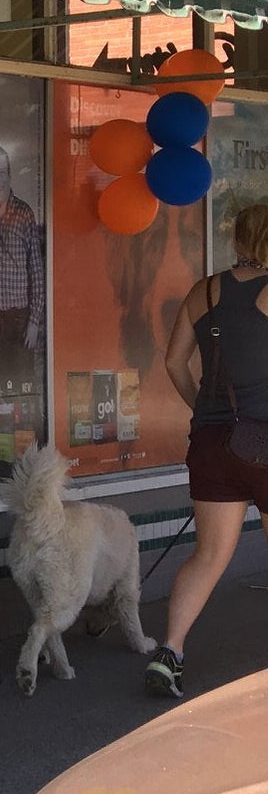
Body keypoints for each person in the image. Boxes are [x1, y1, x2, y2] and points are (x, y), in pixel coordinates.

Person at [149, 203, 268, 698]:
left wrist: (206, 408)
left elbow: (174, 361)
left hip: (214, 442)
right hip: (264, 440)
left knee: (209, 555)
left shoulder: (206, 290)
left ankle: (170, 651)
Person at [0, 146, 44, 396]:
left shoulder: (23, 212)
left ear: (9, 176)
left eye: (2, 173)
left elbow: (37, 273)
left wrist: (33, 323)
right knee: (7, 388)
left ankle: (29, 435)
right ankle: (10, 433)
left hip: (20, 318)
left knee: (24, 385)